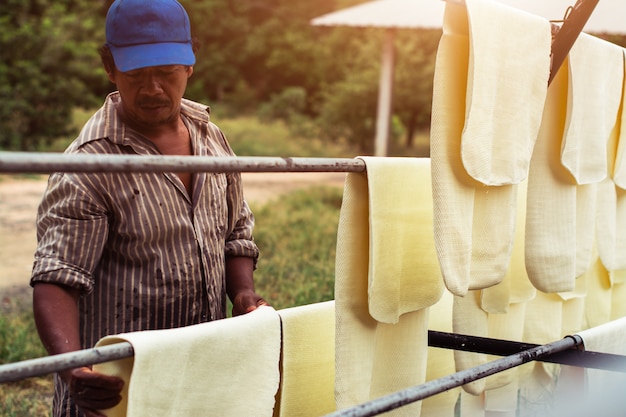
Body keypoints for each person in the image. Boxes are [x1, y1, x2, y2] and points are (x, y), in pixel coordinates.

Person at [30, 1, 268, 416]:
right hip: (120, 383)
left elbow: (235, 234)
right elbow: (57, 277)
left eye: (167, 73)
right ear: (110, 67)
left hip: (199, 371)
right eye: (137, 75)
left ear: (190, 65)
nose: (154, 89)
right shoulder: (91, 162)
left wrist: (242, 293)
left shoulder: (211, 138)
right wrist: (71, 365)